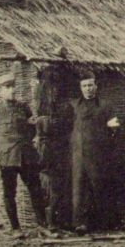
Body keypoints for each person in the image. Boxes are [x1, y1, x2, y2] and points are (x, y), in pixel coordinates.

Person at [0, 71, 52, 239]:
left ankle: (42, 226)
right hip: (7, 157)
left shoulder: (23, 107)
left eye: (13, 86)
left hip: (27, 155)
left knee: (36, 190)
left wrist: (27, 141)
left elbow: (32, 128)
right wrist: (1, 148)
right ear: (0, 91)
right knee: (9, 192)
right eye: (7, 87)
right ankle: (15, 228)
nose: (12, 90)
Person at [70, 72, 120, 234]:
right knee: (79, 188)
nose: (88, 89)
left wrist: (106, 146)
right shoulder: (73, 106)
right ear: (80, 88)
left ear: (96, 87)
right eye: (84, 86)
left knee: (100, 187)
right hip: (78, 155)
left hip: (99, 155)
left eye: (90, 85)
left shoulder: (106, 106)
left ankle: (103, 223)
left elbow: (115, 129)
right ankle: (80, 223)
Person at [34, 69, 74, 231]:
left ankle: (58, 220)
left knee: (60, 184)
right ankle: (50, 222)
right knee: (51, 185)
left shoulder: (62, 107)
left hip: (60, 149)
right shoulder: (43, 109)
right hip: (48, 150)